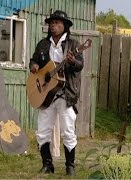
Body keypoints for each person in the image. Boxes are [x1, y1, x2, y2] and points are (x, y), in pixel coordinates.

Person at [29, 10, 84, 176]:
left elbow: (80, 65)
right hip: (46, 95)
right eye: (52, 23)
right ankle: (47, 165)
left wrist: (73, 61)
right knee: (42, 131)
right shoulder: (43, 45)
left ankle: (70, 166)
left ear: (65, 26)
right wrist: (33, 66)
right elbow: (34, 61)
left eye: (58, 23)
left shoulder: (74, 44)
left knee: (68, 130)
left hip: (66, 95)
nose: (53, 26)